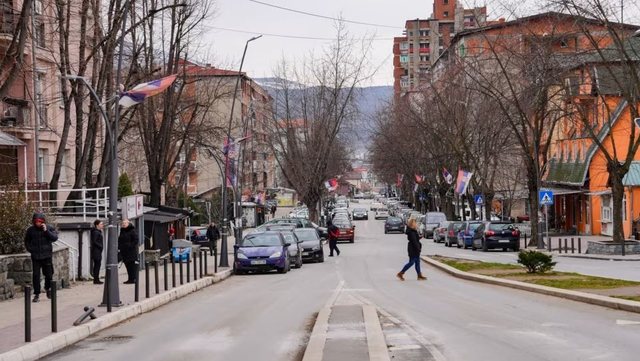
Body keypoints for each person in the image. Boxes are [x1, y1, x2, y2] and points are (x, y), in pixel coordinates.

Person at [24, 212, 58, 302]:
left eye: (40, 221)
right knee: (36, 276)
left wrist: (46, 231)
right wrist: (30, 249)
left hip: (46, 256)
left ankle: (48, 289)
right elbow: (26, 241)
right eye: (36, 221)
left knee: (49, 274)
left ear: (43, 221)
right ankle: (37, 294)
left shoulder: (49, 228)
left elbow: (54, 238)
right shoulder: (30, 230)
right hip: (36, 256)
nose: (38, 223)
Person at [118, 219, 139, 284]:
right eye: (123, 223)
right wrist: (119, 247)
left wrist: (130, 245)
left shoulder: (132, 230)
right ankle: (130, 279)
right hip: (124, 252)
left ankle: (133, 279)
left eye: (125, 223)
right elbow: (120, 240)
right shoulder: (122, 231)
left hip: (131, 251)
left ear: (128, 223)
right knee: (127, 266)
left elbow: (136, 240)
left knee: (131, 266)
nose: (123, 224)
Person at [90, 219, 105, 284]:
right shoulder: (96, 232)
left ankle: (96, 279)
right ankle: (96, 279)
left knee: (97, 265)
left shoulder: (98, 232)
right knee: (97, 265)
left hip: (97, 251)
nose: (102, 225)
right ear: (97, 225)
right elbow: (94, 241)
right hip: (96, 251)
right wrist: (100, 246)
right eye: (101, 224)